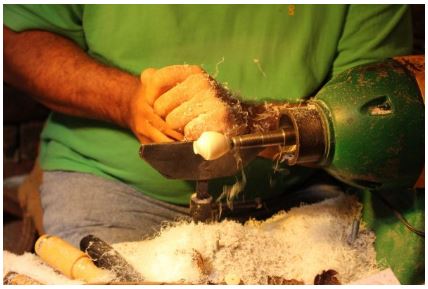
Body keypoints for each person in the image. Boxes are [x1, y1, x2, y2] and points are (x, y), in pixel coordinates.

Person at [4, 4, 423, 283]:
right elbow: (15, 39)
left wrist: (253, 121)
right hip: (113, 182)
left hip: (300, 184)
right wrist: (126, 100)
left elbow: (381, 112)